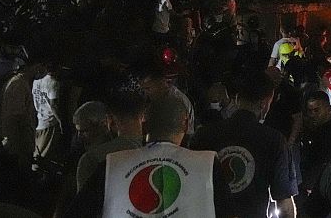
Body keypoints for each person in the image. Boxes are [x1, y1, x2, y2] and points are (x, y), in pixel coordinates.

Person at [67, 91, 232, 218]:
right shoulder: (208, 165)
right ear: (186, 123)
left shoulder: (111, 165)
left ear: (144, 124)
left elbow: (76, 213)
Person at [192, 70, 298, 218]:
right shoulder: (274, 140)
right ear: (264, 104)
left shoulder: (204, 135)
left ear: (236, 99)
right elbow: (285, 206)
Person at [76, 87, 146, 191]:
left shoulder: (92, 160)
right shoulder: (160, 151)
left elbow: (84, 204)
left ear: (109, 119)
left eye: (83, 131)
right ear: (143, 116)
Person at [137, 62, 196, 143]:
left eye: (148, 88)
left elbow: (188, 133)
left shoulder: (179, 101)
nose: (145, 93)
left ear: (160, 83)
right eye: (143, 89)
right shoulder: (151, 102)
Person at [31, 60, 65, 172]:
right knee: (42, 156)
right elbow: (53, 105)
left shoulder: (36, 81)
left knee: (38, 152)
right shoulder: (53, 83)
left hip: (39, 119)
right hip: (49, 121)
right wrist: (61, 121)